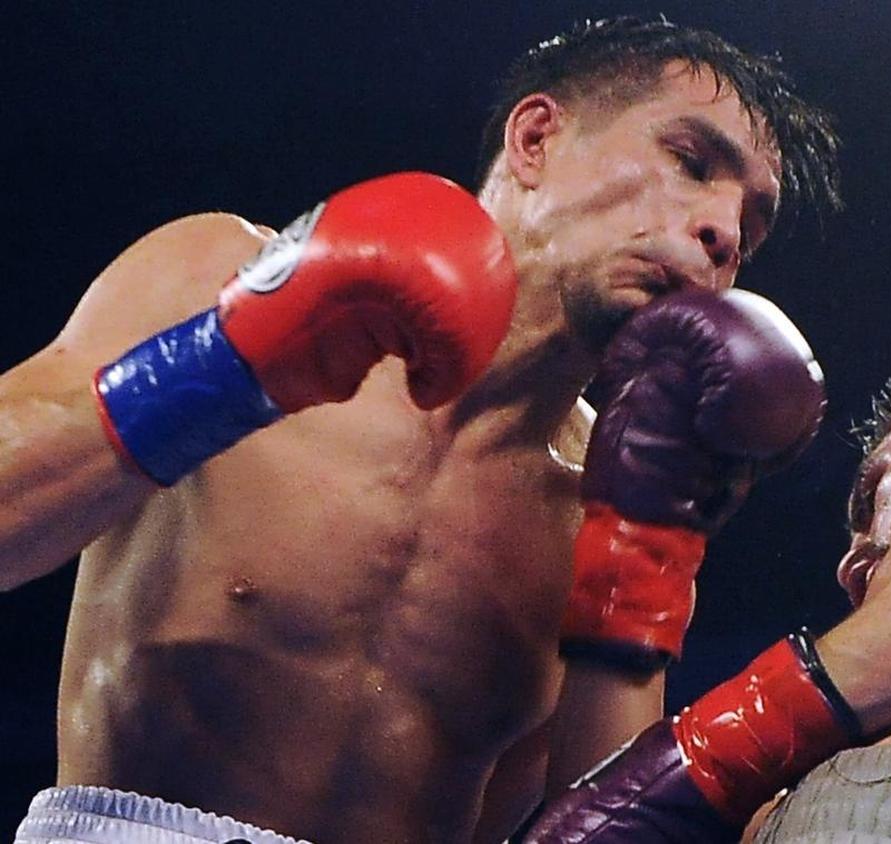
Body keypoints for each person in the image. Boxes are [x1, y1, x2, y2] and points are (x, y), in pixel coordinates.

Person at [0, 17, 843, 844]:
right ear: (536, 139)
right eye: (691, 163)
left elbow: (592, 832)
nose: (723, 231)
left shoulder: (614, 502)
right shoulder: (220, 276)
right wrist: (228, 361)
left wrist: (649, 551)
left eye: (751, 227)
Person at [515, 321, 891, 843]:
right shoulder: (887, 707)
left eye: (872, 494)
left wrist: (727, 736)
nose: (848, 562)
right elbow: (616, 828)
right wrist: (637, 565)